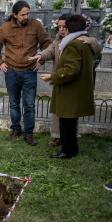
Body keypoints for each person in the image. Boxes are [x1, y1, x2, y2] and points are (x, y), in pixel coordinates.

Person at [29, 14, 102, 147]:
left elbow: (72, 68)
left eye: (64, 27)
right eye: (60, 27)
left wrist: (52, 76)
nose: (62, 29)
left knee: (68, 116)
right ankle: (62, 139)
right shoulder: (60, 40)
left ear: (69, 28)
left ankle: (68, 147)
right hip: (63, 81)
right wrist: (39, 55)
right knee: (61, 115)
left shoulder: (78, 42)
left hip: (67, 82)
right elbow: (50, 51)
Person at [0, 0, 51, 146]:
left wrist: (40, 60)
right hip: (11, 71)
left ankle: (28, 133)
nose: (26, 17)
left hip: (30, 71)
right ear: (15, 15)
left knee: (29, 104)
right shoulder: (5, 28)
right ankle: (15, 129)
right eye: (23, 15)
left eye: (27, 14)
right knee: (13, 103)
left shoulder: (36, 25)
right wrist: (1, 63)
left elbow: (47, 44)